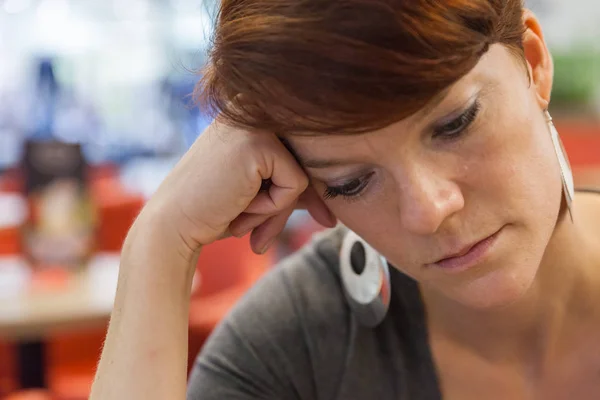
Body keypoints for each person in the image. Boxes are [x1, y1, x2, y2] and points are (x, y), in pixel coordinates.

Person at [90, 1, 600, 399]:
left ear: (532, 64)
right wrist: (161, 236)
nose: (427, 210)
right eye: (352, 182)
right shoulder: (295, 348)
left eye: (455, 124)